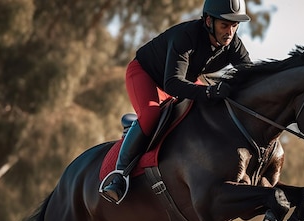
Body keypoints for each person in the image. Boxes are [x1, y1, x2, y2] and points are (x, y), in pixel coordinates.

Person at [100, 0, 252, 204]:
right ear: (209, 21)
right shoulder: (186, 36)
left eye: (235, 26)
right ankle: (119, 176)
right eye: (225, 25)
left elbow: (250, 76)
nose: (230, 32)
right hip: (147, 75)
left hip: (184, 80)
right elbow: (172, 84)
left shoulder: (233, 44)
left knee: (209, 109)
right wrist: (208, 91)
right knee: (152, 114)